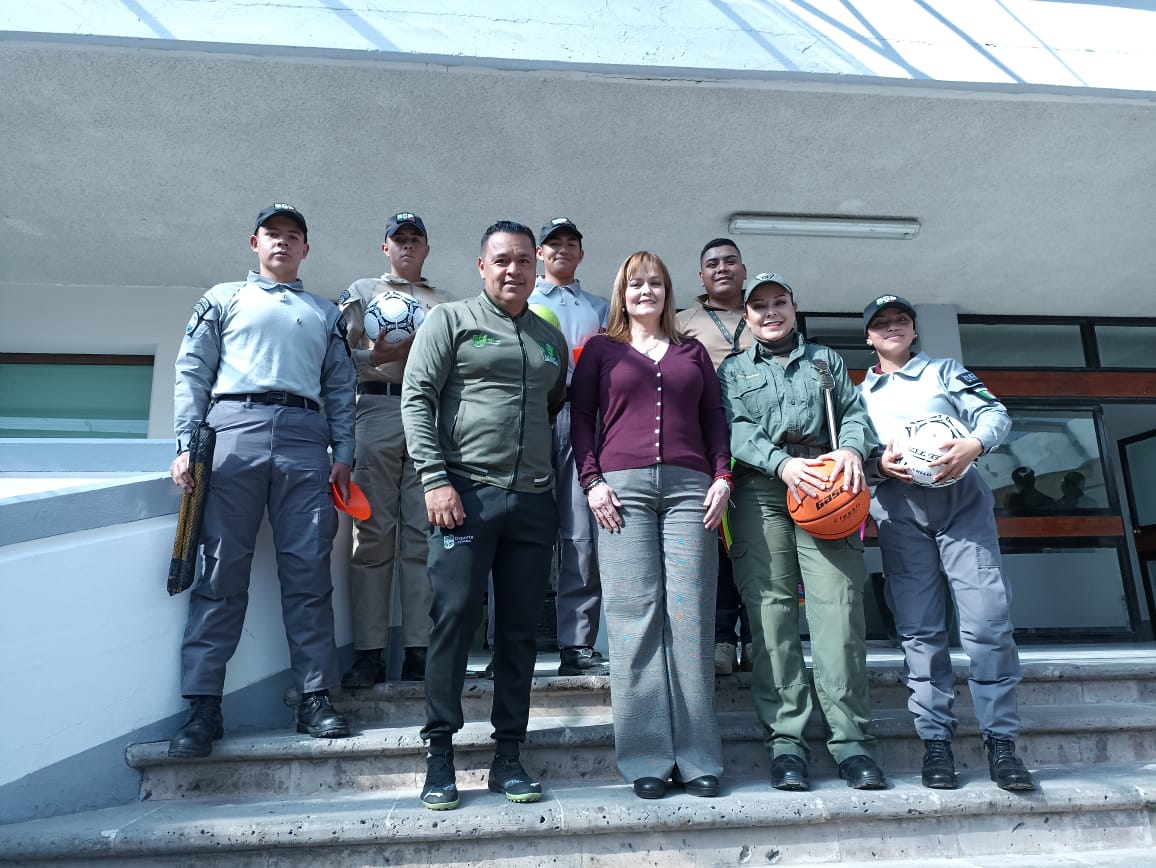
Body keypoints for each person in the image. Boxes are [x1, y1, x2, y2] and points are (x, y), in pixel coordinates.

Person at [167, 203, 355, 758]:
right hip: (232, 431)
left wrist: (343, 452)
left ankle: (316, 695)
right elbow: (192, 370)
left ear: (305, 249)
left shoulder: (325, 313)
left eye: (293, 236)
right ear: (254, 242)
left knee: (308, 570)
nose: (282, 243)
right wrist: (185, 444)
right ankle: (204, 705)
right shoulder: (222, 297)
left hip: (305, 436)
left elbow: (341, 388)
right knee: (220, 566)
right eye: (273, 234)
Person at [401, 220, 568, 811]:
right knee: (453, 620)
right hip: (462, 496)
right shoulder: (450, 320)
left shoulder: (549, 338)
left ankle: (508, 757)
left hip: (531, 503)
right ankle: (439, 755)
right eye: (501, 259)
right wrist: (435, 478)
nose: (513, 270)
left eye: (524, 260)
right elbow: (417, 396)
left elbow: (551, 403)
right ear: (481, 266)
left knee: (520, 631)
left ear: (537, 266)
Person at [570, 251, 731, 800]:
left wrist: (723, 476)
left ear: (668, 291)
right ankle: (646, 756)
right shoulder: (601, 351)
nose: (646, 291)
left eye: (655, 283)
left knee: (689, 620)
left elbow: (714, 417)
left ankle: (697, 756)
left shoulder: (692, 352)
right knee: (635, 621)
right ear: (622, 291)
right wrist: (592, 482)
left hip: (691, 492)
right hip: (622, 491)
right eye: (635, 282)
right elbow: (583, 420)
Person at [860, 293, 1035, 791]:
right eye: (881, 323)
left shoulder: (944, 371)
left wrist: (974, 444)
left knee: (987, 622)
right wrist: (878, 467)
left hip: (962, 505)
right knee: (919, 628)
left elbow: (995, 415)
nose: (892, 327)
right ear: (868, 336)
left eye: (901, 320)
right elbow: (856, 454)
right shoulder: (859, 394)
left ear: (914, 330)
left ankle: (1001, 744)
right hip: (898, 512)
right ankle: (935, 742)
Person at [718, 273, 885, 792]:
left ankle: (851, 742)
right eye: (759, 306)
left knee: (838, 610)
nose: (770, 312)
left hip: (828, 487)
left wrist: (853, 449)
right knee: (770, 613)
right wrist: (780, 464)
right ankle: (786, 742)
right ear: (746, 316)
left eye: (779, 303)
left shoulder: (825, 360)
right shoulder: (732, 369)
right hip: (762, 489)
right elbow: (735, 428)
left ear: (794, 308)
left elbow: (855, 414)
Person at [336, 212, 455, 686]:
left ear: (427, 249)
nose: (407, 246)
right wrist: (374, 356)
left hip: (428, 415)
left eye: (415, 240)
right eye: (398, 240)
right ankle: (367, 653)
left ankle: (418, 651)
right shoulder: (363, 292)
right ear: (385, 246)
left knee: (423, 539)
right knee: (371, 536)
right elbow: (335, 355)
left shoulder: (444, 303)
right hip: (377, 409)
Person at [528, 217, 611, 677]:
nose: (561, 249)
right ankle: (508, 647)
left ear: (581, 253)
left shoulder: (600, 307)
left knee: (579, 534)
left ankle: (576, 645)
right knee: (522, 533)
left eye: (570, 243)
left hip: (583, 419)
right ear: (540, 253)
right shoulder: (521, 300)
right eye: (552, 243)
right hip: (531, 421)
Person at [676, 237, 754, 676]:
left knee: (759, 545)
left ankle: (757, 640)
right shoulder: (683, 322)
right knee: (716, 546)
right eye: (712, 264)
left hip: (764, 447)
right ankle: (722, 638)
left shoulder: (764, 313)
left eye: (730, 261)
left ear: (744, 269)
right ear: (701, 277)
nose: (722, 268)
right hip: (708, 444)